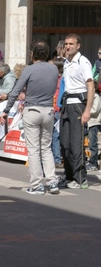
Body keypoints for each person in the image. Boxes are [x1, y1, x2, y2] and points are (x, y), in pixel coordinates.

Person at [0, 40, 60, 195]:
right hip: (48, 110)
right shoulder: (54, 69)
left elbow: (15, 91)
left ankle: (37, 185)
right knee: (46, 148)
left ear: (32, 54)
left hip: (32, 109)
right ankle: (52, 181)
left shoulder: (29, 69)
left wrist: (6, 110)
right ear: (47, 53)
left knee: (33, 150)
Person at [58, 33, 95, 189]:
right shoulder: (66, 62)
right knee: (64, 143)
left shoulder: (83, 62)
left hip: (78, 105)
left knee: (76, 143)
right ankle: (68, 176)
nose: (68, 46)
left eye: (71, 44)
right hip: (67, 104)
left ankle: (80, 178)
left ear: (78, 46)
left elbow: (91, 87)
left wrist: (87, 111)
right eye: (66, 44)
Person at [84, 80, 101, 171]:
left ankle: (93, 163)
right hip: (87, 122)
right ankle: (87, 160)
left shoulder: (96, 97)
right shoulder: (88, 96)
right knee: (85, 142)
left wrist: (85, 111)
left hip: (93, 122)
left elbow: (95, 110)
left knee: (93, 144)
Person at [52, 58, 64, 168]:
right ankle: (53, 158)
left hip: (57, 109)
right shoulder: (54, 78)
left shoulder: (62, 79)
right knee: (51, 135)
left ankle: (56, 158)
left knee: (56, 135)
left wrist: (59, 108)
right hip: (52, 108)